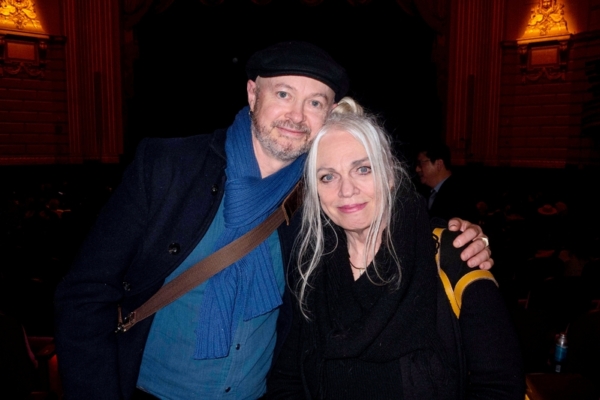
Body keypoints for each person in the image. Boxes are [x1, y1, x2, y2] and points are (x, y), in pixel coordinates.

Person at [54, 42, 492, 400]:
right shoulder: (170, 167)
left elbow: (379, 211)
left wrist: (451, 231)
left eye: (314, 102)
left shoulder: (317, 195)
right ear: (252, 94)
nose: (297, 116)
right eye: (283, 94)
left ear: (328, 114)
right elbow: (84, 294)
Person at [267, 98, 523, 399]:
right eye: (328, 176)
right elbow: (286, 379)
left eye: (363, 169)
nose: (346, 190)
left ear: (389, 175)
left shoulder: (453, 254)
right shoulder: (308, 268)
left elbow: (500, 385)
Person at [416, 142, 478, 223]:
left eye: (421, 163)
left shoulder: (459, 194)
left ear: (439, 164)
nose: (417, 169)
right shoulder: (425, 192)